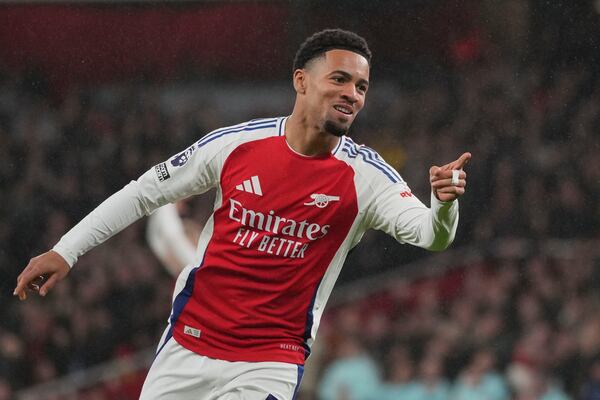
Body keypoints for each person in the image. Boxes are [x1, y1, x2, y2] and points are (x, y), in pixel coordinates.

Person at [14, 29, 470, 399]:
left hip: (269, 361)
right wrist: (66, 251)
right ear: (301, 81)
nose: (352, 93)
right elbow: (143, 193)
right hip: (187, 345)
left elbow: (432, 236)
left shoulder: (367, 178)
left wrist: (443, 204)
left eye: (361, 86)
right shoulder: (237, 145)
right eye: (339, 79)